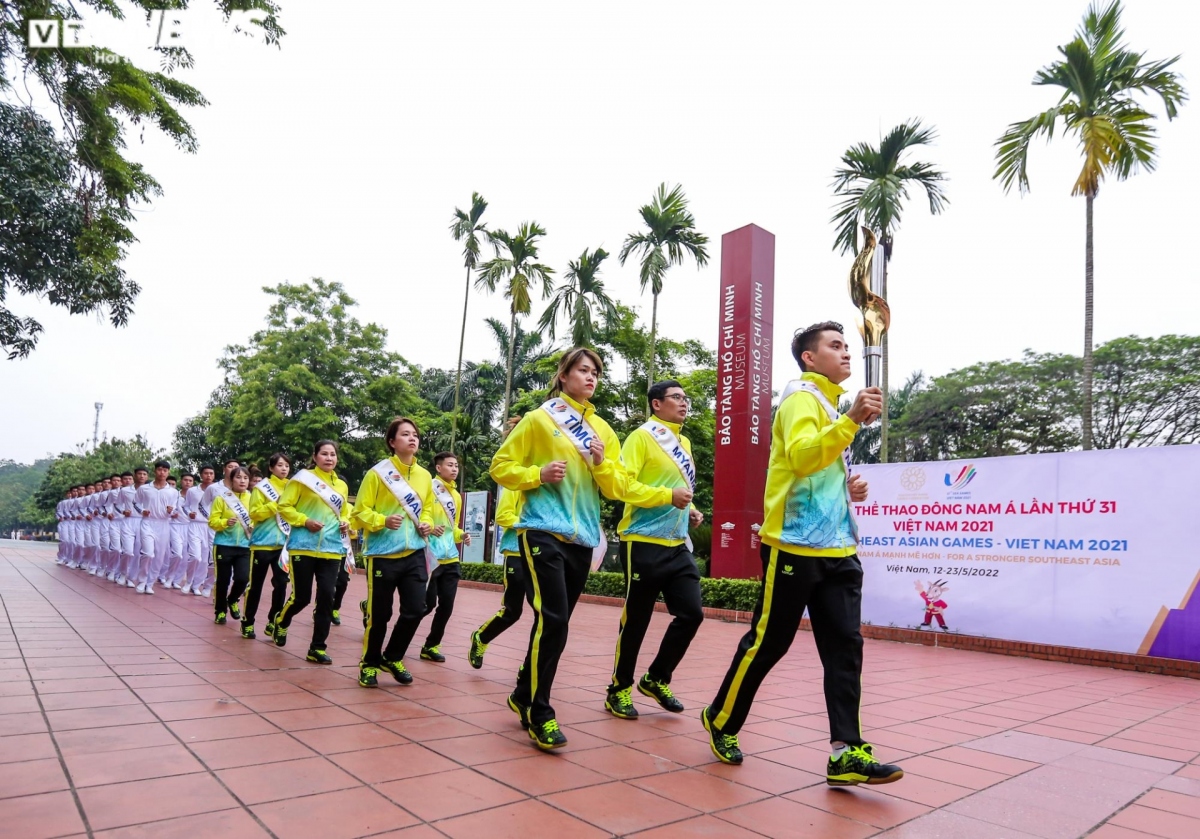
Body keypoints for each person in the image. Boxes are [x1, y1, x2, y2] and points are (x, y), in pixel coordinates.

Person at [702, 321, 903, 787]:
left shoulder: (829, 405)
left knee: (845, 648)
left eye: (848, 346)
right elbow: (800, 457)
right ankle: (721, 718)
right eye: (836, 346)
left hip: (838, 548)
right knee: (769, 642)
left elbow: (818, 465)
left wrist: (846, 485)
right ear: (810, 358)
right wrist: (851, 421)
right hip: (793, 545)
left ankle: (846, 751)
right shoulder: (800, 398)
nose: (847, 354)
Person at [490, 347, 673, 750]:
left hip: (582, 539)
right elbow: (500, 466)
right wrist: (537, 474)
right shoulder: (540, 419)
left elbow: (617, 488)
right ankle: (541, 712)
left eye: (596, 373)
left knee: (556, 625)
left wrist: (602, 463)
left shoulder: (603, 431)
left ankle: (522, 693)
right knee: (553, 620)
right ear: (565, 374)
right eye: (584, 370)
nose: (591, 378)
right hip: (540, 531)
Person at [605, 380, 703, 720]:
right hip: (642, 541)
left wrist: (688, 510)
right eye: (677, 397)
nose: (684, 402)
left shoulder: (685, 442)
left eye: (685, 397)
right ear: (656, 404)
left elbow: (677, 488)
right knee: (637, 620)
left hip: (677, 545)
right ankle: (618, 689)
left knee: (692, 613)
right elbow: (623, 486)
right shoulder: (642, 437)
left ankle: (656, 678)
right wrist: (666, 498)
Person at [351, 417, 436, 688]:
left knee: (416, 608)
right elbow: (360, 511)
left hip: (414, 553)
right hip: (383, 553)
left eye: (415, 435)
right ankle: (369, 664)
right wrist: (382, 520)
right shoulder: (377, 474)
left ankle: (393, 656)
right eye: (405, 434)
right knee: (380, 615)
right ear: (392, 442)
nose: (412, 439)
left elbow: (429, 509)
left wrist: (428, 523)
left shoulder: (425, 476)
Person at [275, 440, 351, 665]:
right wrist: (304, 521)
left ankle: (317, 647)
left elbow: (345, 511)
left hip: (331, 549)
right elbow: (284, 506)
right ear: (315, 456)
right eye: (324, 454)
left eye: (333, 454)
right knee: (302, 598)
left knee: (327, 597)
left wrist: (345, 522)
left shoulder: (342, 485)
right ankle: (282, 620)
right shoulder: (302, 480)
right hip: (303, 547)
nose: (329, 458)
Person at [420, 451, 470, 662]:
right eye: (450, 465)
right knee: (427, 604)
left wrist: (462, 535)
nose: (454, 469)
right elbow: (423, 516)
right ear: (438, 468)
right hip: (431, 556)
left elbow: (453, 528)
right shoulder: (429, 488)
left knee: (447, 606)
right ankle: (400, 631)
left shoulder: (456, 496)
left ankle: (431, 646)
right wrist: (430, 528)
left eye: (456, 465)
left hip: (450, 558)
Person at [468, 486, 524, 669]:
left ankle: (531, 669)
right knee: (513, 610)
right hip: (517, 552)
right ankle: (482, 637)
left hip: (544, 555)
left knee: (547, 614)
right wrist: (532, 524)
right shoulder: (517, 482)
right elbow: (503, 516)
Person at [246, 453, 292, 639]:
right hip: (262, 545)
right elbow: (255, 513)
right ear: (271, 468)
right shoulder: (262, 488)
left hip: (284, 546)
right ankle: (248, 622)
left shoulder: (292, 487)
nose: (284, 469)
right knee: (256, 586)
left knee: (281, 584)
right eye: (280, 465)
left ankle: (273, 620)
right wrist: (275, 505)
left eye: (287, 466)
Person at [208, 466, 254, 626]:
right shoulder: (222, 498)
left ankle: (232, 600)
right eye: (238, 477)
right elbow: (212, 522)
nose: (242, 481)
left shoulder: (253, 499)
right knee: (222, 580)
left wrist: (254, 525)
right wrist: (225, 522)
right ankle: (220, 611)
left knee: (243, 578)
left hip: (245, 546)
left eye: (245, 478)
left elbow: (258, 518)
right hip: (223, 544)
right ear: (231, 480)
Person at [135, 461, 179, 594]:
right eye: (160, 470)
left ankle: (150, 583)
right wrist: (142, 511)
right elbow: (136, 503)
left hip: (163, 524)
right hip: (147, 522)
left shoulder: (173, 491)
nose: (162, 472)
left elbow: (175, 510)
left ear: (168, 472)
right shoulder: (144, 488)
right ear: (155, 471)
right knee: (148, 553)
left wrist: (171, 510)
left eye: (165, 470)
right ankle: (142, 581)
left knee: (159, 556)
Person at [183, 466, 216, 596]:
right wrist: (189, 513)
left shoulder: (217, 490)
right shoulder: (192, 491)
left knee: (205, 560)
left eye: (211, 473)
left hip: (211, 526)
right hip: (195, 525)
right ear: (201, 475)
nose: (208, 475)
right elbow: (185, 506)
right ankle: (188, 581)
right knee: (195, 556)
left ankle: (197, 584)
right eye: (206, 473)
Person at [164, 473, 194, 588]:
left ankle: (177, 580)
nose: (187, 482)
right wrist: (171, 513)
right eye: (185, 480)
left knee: (186, 556)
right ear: (181, 481)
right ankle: (169, 577)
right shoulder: (175, 495)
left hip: (189, 527)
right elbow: (167, 507)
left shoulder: (195, 496)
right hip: (175, 526)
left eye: (190, 481)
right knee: (177, 553)